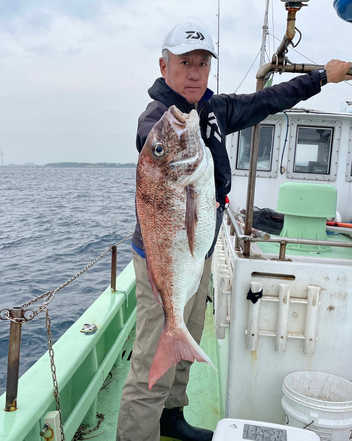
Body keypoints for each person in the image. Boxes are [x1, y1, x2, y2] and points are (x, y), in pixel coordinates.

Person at [116, 22, 351, 441]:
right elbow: (149, 143)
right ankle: (136, 434)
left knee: (185, 336)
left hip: (199, 247)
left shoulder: (214, 108)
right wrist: (171, 146)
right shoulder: (159, 121)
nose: (194, 72)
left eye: (202, 63)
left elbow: (267, 99)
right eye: (184, 62)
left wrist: (321, 78)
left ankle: (172, 417)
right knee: (153, 352)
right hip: (164, 254)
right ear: (163, 65)